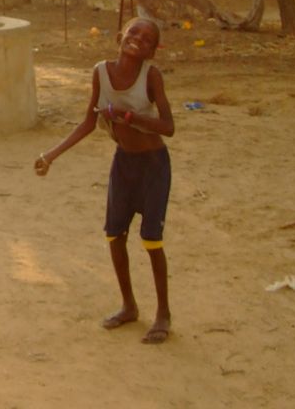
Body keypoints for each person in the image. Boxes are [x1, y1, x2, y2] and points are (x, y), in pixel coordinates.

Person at [34, 17, 175, 344]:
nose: (138, 38)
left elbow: (168, 126)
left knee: (152, 239)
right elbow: (88, 123)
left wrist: (131, 118)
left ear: (153, 51)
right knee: (114, 235)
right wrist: (51, 155)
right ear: (118, 37)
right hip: (124, 162)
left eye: (147, 38)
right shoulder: (100, 72)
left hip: (154, 165)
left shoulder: (151, 77)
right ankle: (128, 306)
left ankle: (163, 314)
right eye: (133, 32)